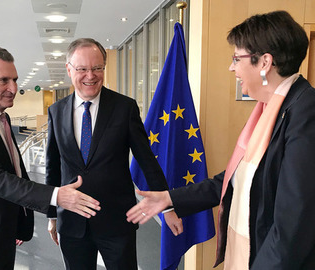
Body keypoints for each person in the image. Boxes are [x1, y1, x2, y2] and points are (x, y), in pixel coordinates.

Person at [127, 10, 315, 270]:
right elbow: (233, 179)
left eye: (236, 58)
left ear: (265, 62)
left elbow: (294, 223)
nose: (232, 67)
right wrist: (170, 198)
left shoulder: (305, 113)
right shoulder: (272, 108)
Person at [0, 45, 101, 270]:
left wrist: (19, 220)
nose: (13, 88)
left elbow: (15, 169)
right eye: (4, 80)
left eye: (14, 79)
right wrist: (56, 196)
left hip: (5, 230)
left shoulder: (0, 118)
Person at [45, 38, 182, 270]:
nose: (91, 75)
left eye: (97, 68)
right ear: (69, 69)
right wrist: (52, 215)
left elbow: (147, 160)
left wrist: (167, 207)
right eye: (82, 69)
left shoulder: (124, 108)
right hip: (72, 223)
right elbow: (53, 166)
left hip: (117, 221)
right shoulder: (56, 111)